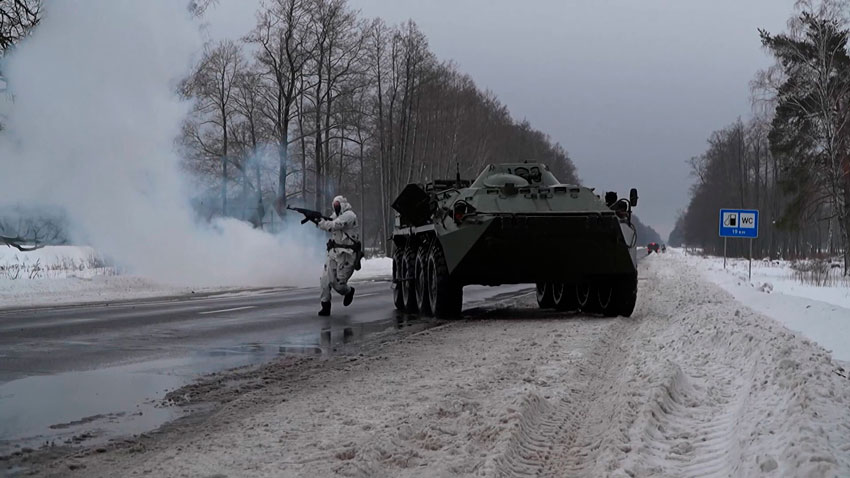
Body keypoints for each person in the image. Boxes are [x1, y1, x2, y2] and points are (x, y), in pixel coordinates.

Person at [315, 195, 359, 316]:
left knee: (339, 285)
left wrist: (321, 222)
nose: (335, 207)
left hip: (347, 255)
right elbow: (329, 224)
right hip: (334, 253)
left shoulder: (350, 215)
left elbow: (334, 225)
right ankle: (325, 306)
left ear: (342, 204)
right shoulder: (335, 215)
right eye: (334, 205)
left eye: (337, 205)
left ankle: (349, 291)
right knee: (325, 280)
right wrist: (316, 220)